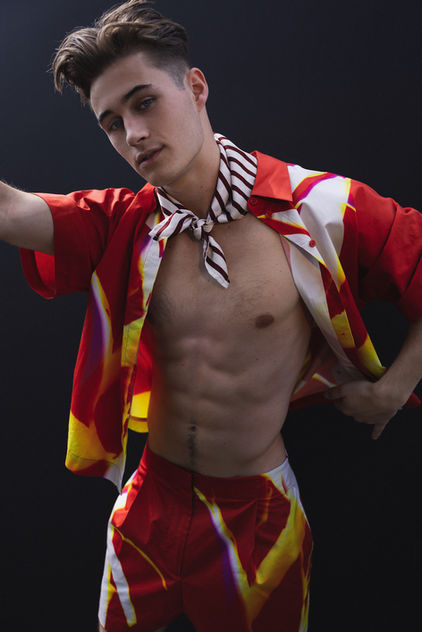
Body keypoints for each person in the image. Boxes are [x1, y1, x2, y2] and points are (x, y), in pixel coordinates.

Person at [1, 0, 422, 630]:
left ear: (195, 88)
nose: (133, 133)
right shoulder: (125, 224)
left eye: (145, 102)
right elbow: (8, 211)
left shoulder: (318, 209)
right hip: (150, 499)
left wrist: (394, 388)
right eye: (112, 123)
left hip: (259, 513)